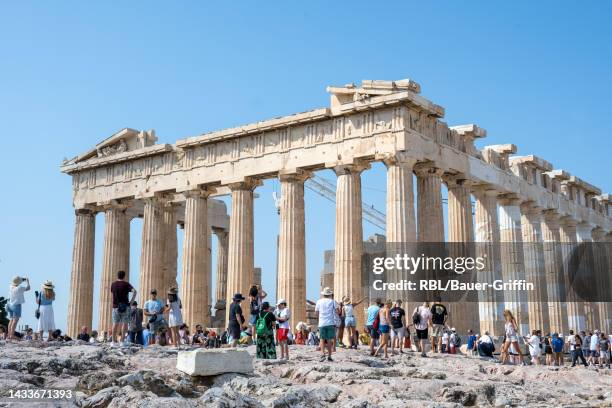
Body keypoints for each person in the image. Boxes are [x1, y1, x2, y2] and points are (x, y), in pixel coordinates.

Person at [110, 270, 137, 346]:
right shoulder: (126, 284)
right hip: (126, 306)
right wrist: (131, 302)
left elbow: (112, 293)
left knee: (115, 323)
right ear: (124, 276)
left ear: (117, 276)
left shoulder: (113, 284)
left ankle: (113, 341)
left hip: (116, 307)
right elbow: (135, 291)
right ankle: (122, 341)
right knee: (124, 324)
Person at [314, 287, 339, 362]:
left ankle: (322, 354)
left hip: (322, 322)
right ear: (330, 294)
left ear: (323, 294)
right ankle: (329, 356)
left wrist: (320, 318)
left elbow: (316, 313)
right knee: (329, 339)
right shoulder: (333, 301)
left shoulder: (318, 301)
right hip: (330, 322)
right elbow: (338, 311)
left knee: (322, 339)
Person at [7, 276, 30, 340]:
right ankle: (12, 335)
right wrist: (27, 282)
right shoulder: (19, 288)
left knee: (11, 320)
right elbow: (28, 288)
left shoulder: (11, 286)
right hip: (16, 305)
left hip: (9, 304)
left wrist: (22, 280)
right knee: (15, 321)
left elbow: (16, 282)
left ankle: (9, 335)